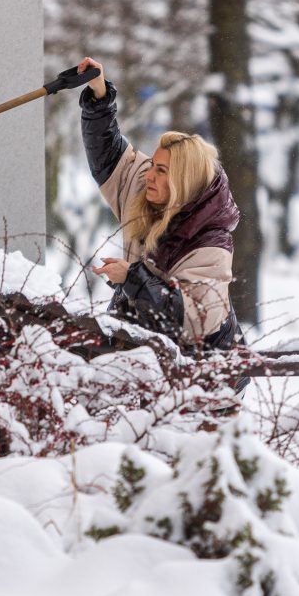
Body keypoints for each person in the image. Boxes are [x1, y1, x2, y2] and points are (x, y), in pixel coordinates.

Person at [77, 57, 247, 378]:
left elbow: (191, 319)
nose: (149, 176)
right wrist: (99, 96)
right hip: (154, 363)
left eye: (161, 170)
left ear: (182, 181)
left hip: (208, 381)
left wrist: (133, 277)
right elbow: (110, 156)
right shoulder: (149, 190)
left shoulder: (211, 242)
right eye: (152, 164)